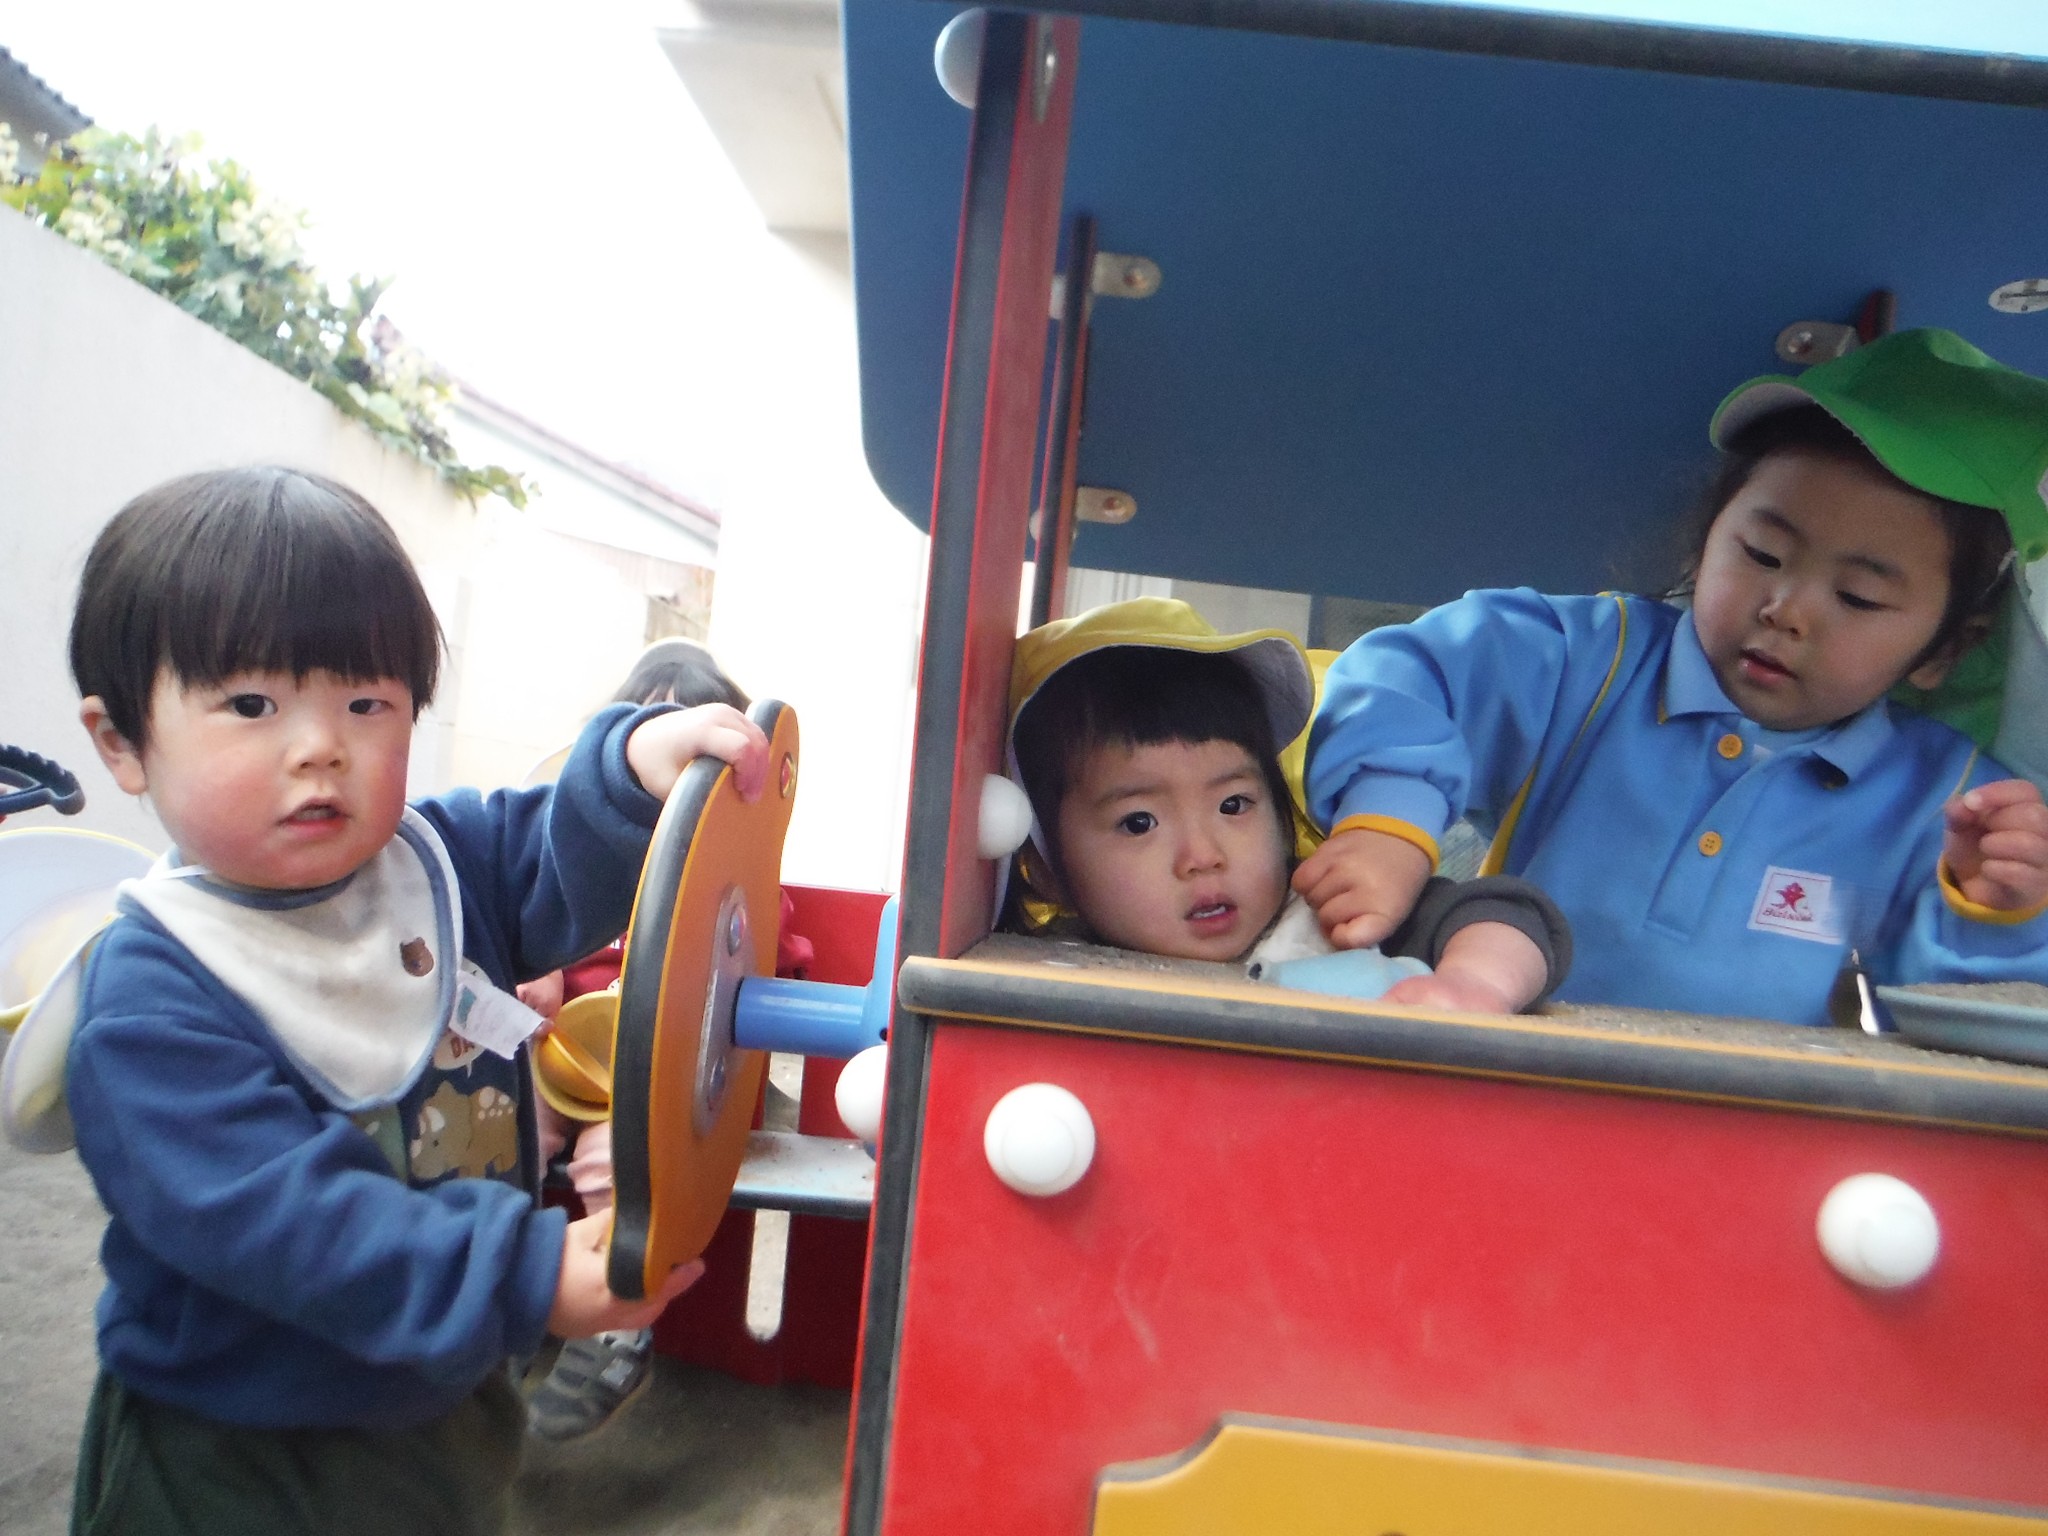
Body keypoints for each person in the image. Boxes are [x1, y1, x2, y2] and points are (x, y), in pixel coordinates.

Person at [59, 466, 768, 1535]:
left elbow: (549, 846)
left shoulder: (436, 863)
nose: (321, 746)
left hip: (446, 1399)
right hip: (241, 1445)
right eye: (251, 705)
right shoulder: (152, 998)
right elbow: (288, 1224)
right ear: (122, 741)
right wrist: (519, 1274)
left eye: (366, 703)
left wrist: (630, 771)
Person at [1300, 327, 2048, 1027]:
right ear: (1706, 538)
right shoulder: (1589, 664)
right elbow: (1410, 672)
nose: (1786, 610)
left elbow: (1957, 1024)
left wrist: (1996, 913)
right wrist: (1388, 822)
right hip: (1501, 1063)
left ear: (1947, 649)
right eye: (1761, 554)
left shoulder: (1953, 803)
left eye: (1857, 597)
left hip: (1740, 1114)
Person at [516, 636, 811, 1443]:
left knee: (617, 1162)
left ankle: (617, 1325)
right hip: (557, 1056)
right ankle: (503, 1298)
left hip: (657, 1077)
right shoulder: (579, 869)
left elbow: (765, 957)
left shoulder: (733, 878)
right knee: (499, 1131)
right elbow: (526, 918)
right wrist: (537, 971)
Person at [1004, 598, 1571, 1013]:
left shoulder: (1335, 917)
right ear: (1046, 869)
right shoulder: (1030, 969)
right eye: (1139, 822)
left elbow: (1512, 916)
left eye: (1233, 805)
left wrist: (1475, 983)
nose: (1203, 856)